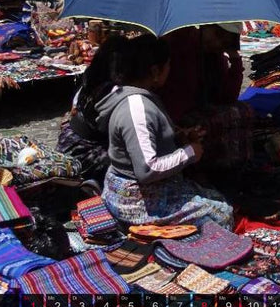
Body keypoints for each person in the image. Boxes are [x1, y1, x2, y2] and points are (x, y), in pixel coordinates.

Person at [98, 34, 233, 228]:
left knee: (213, 195)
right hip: (134, 199)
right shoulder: (136, 107)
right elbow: (147, 169)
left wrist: (180, 138)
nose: (170, 70)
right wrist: (189, 152)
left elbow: (148, 139)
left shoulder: (139, 98)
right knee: (222, 214)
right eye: (168, 65)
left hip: (142, 188)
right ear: (155, 71)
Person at [55, 35, 129, 181]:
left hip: (69, 138)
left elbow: (74, 108)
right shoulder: (113, 90)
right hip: (85, 151)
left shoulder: (92, 76)